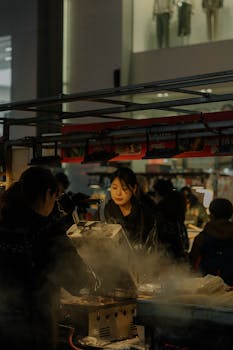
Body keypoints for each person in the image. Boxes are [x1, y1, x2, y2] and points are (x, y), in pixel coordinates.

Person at [0, 166, 98, 350]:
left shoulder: (5, 224)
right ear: (48, 194)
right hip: (34, 329)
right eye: (55, 197)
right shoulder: (46, 232)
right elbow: (79, 281)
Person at [103, 167, 157, 248]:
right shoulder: (104, 213)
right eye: (114, 188)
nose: (118, 193)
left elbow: (153, 246)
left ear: (134, 188)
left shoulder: (145, 215)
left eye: (124, 188)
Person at [189, 198, 233, 286]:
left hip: (206, 288)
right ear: (230, 214)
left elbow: (192, 263)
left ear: (211, 215)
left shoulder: (202, 237)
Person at [150, 179, 189, 261]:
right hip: (180, 236)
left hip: (167, 241)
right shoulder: (179, 198)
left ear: (160, 193)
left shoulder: (162, 206)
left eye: (156, 193)